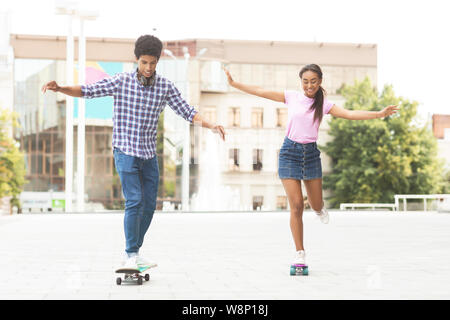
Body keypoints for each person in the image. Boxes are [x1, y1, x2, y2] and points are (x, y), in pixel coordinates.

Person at [42, 35, 226, 270]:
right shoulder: (121, 81)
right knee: (135, 200)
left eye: (152, 63)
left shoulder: (165, 87)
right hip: (125, 150)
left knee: (149, 205)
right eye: (144, 63)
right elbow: (88, 91)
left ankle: (134, 252)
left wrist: (211, 125)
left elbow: (187, 111)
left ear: (158, 62)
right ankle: (130, 254)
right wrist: (61, 88)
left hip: (149, 154)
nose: (148, 68)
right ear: (137, 60)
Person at [223, 64, 398, 266]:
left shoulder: (323, 104)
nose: (309, 85)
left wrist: (379, 114)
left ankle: (319, 209)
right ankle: (300, 253)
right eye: (305, 81)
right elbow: (261, 92)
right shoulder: (292, 97)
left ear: (320, 81)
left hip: (311, 155)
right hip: (289, 153)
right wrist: (234, 84)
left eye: (313, 81)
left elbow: (349, 114)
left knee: (315, 205)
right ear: (301, 82)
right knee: (296, 205)